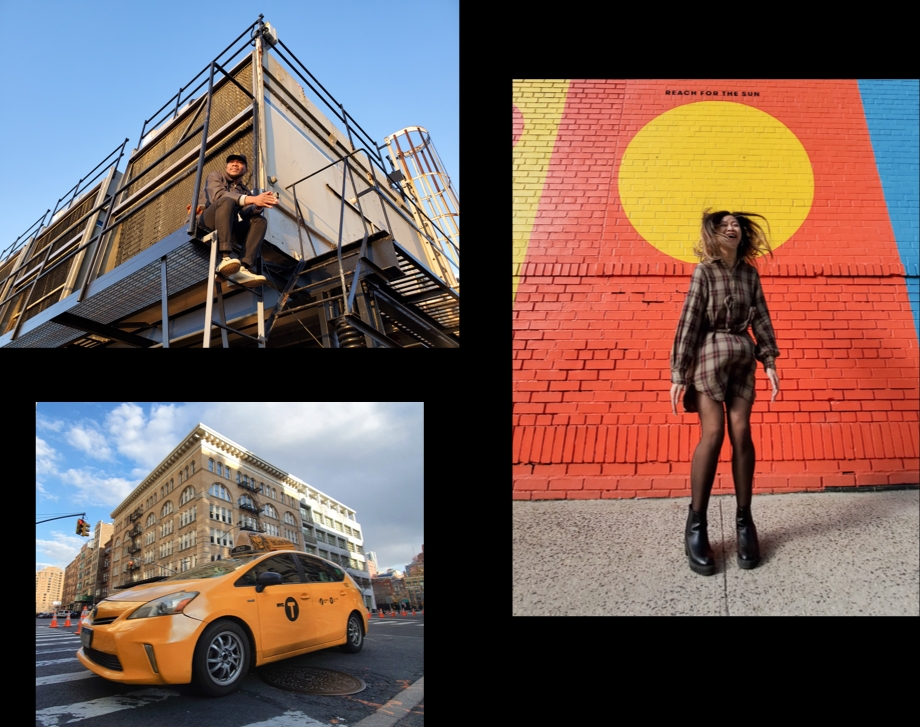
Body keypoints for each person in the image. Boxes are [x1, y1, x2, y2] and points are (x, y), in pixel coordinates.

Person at [669, 210, 780, 576]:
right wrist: (678, 372)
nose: (731, 227)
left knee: (742, 431)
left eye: (736, 224)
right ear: (713, 234)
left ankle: (745, 522)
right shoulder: (704, 271)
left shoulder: (750, 273)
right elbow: (690, 319)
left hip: (741, 359)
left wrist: (769, 361)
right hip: (707, 358)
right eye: (723, 224)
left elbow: (761, 316)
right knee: (714, 433)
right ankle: (696, 524)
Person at [198, 154, 278, 287]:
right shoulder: (215, 176)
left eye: (240, 162)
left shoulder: (244, 190)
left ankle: (243, 269)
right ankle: (225, 258)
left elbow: (246, 212)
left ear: (245, 170)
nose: (235, 164)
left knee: (259, 220)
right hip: (205, 224)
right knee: (226, 201)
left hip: (227, 229)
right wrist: (253, 199)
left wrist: (258, 205)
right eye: (231, 162)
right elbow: (218, 196)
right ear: (226, 167)